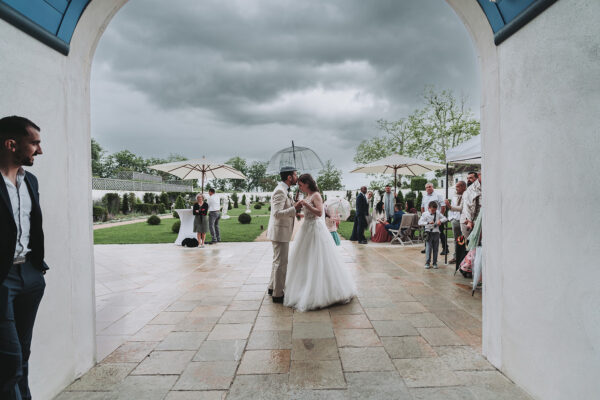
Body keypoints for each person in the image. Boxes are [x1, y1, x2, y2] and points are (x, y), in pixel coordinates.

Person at [0, 116, 48, 400]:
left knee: (23, 356)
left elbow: (33, 225)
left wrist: (36, 269)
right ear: (11, 144)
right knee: (9, 362)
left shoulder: (30, 180)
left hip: (29, 276)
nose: (39, 151)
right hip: (3, 280)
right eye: (35, 143)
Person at [284, 174, 357, 311]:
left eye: (300, 184)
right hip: (306, 229)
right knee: (304, 259)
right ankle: (303, 287)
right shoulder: (307, 196)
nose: (299, 187)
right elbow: (308, 214)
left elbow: (319, 213)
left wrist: (306, 204)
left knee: (317, 258)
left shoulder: (316, 195)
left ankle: (323, 292)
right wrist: (299, 213)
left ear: (307, 183)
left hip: (316, 230)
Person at [266, 166, 302, 303]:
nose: (297, 177)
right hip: (279, 232)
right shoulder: (280, 191)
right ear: (289, 177)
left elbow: (285, 208)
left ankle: (272, 287)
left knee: (277, 261)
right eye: (295, 174)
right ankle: (278, 294)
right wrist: (295, 208)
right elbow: (277, 214)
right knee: (281, 263)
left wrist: (294, 203)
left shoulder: (285, 191)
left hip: (280, 232)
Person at [419, 201, 447, 269]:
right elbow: (420, 222)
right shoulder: (425, 214)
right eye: (432, 210)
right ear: (428, 208)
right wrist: (428, 223)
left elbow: (445, 218)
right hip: (428, 232)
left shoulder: (437, 213)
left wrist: (440, 221)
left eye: (434, 210)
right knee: (428, 248)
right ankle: (427, 262)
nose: (433, 211)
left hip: (436, 232)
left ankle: (435, 263)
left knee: (436, 248)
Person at [420, 182, 447, 255]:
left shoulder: (438, 195)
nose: (428, 188)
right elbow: (422, 207)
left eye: (430, 187)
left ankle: (445, 248)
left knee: (441, 233)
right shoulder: (424, 196)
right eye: (427, 187)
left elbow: (443, 206)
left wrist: (440, 217)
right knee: (427, 233)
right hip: (427, 218)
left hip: (436, 217)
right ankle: (427, 248)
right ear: (425, 189)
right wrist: (423, 216)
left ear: (433, 187)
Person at [445, 180, 467, 263]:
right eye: (456, 186)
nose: (456, 188)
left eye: (458, 186)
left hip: (464, 221)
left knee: (464, 239)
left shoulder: (467, 196)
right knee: (456, 239)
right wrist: (451, 218)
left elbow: (461, 208)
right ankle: (456, 256)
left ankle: (464, 257)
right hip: (455, 220)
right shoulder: (454, 196)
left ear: (463, 187)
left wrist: (450, 206)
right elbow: (451, 209)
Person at [461, 172, 482, 239]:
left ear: (477, 178)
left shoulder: (479, 188)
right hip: (467, 220)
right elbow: (467, 207)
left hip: (477, 218)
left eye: (471, 178)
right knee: (471, 241)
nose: (468, 180)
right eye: (467, 178)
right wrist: (469, 221)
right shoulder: (468, 191)